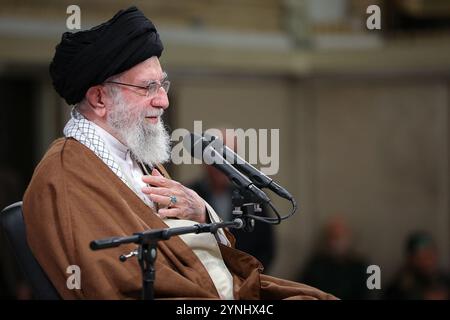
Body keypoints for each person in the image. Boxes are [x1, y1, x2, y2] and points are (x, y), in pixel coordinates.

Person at [23, 6, 336, 300]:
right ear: (100, 99)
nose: (163, 101)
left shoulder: (139, 157)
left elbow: (198, 247)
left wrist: (201, 213)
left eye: (163, 86)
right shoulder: (65, 176)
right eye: (148, 88)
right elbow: (111, 285)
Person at [189, 130, 276, 271]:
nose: (221, 163)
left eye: (227, 155)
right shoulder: (189, 194)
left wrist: (247, 278)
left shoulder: (253, 196)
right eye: (214, 155)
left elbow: (266, 249)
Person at [298, 216, 369, 299]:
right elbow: (304, 289)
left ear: (348, 237)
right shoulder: (317, 264)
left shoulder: (358, 266)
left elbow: (364, 293)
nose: (336, 242)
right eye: (333, 237)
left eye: (339, 237)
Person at [385, 231, 450, 300]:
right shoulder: (400, 287)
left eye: (430, 256)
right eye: (422, 257)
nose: (428, 262)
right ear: (410, 258)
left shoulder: (444, 280)